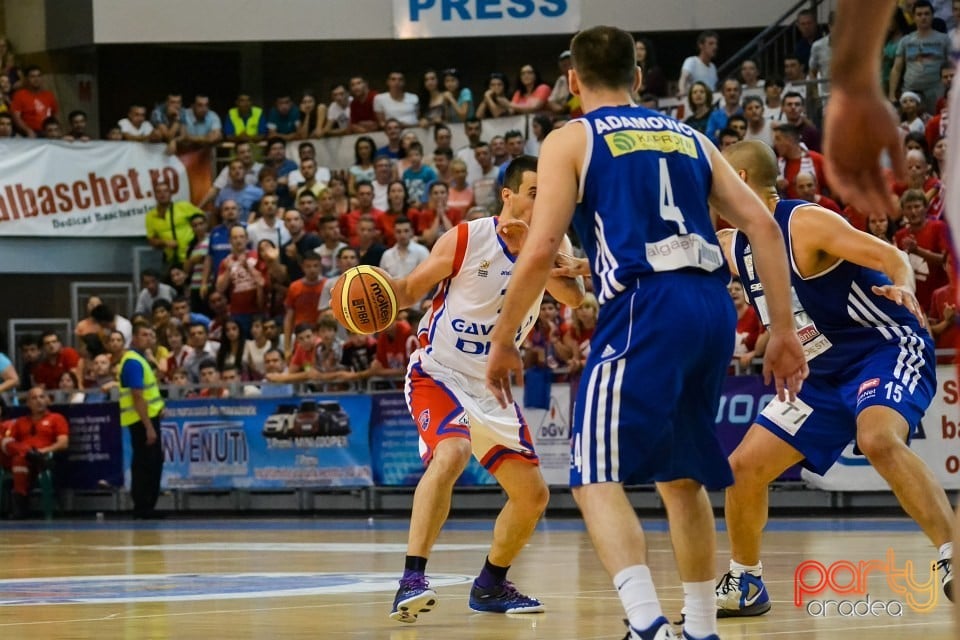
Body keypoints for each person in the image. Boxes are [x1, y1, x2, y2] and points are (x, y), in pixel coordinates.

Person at [484, 27, 807, 640]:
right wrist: (783, 331)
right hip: (710, 306)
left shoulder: (570, 138)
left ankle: (646, 625)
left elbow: (542, 247)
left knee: (592, 476)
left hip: (644, 305)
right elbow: (765, 228)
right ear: (637, 77)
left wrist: (503, 340)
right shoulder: (692, 137)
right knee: (681, 477)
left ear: (573, 81)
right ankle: (702, 628)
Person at [714, 139, 954, 615]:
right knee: (742, 469)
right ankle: (746, 582)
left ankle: (952, 555)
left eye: (716, 179)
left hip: (880, 348)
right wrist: (588, 271)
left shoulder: (803, 223)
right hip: (818, 376)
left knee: (878, 439)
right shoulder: (732, 243)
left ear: (738, 180)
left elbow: (890, 256)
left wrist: (904, 285)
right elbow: (662, 268)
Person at [385, 155, 585, 623]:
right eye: (536, 193)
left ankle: (491, 584)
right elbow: (412, 289)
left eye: (551, 194)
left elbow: (573, 297)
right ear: (509, 196)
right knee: (451, 453)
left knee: (533, 496)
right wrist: (383, 293)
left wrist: (544, 252)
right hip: (439, 372)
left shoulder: (551, 242)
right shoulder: (468, 237)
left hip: (491, 387)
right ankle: (411, 579)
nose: (545, 202)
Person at [117, 323, 165, 519]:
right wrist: (148, 427)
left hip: (147, 417)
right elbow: (137, 396)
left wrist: (158, 408)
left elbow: (148, 392)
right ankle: (143, 506)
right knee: (146, 463)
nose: (149, 338)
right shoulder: (134, 362)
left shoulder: (140, 360)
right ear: (134, 338)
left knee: (150, 462)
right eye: (144, 334)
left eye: (151, 334)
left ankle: (146, 506)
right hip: (141, 421)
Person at [0, 387, 69, 518]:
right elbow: (9, 442)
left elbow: (63, 443)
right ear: (28, 403)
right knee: (5, 443)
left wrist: (44, 451)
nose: (39, 401)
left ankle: (20, 509)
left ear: (47, 400)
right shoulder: (20, 422)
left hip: (43, 457)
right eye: (34, 398)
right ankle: (30, 454)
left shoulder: (57, 418)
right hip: (28, 459)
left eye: (42, 397)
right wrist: (28, 452)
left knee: (19, 459)